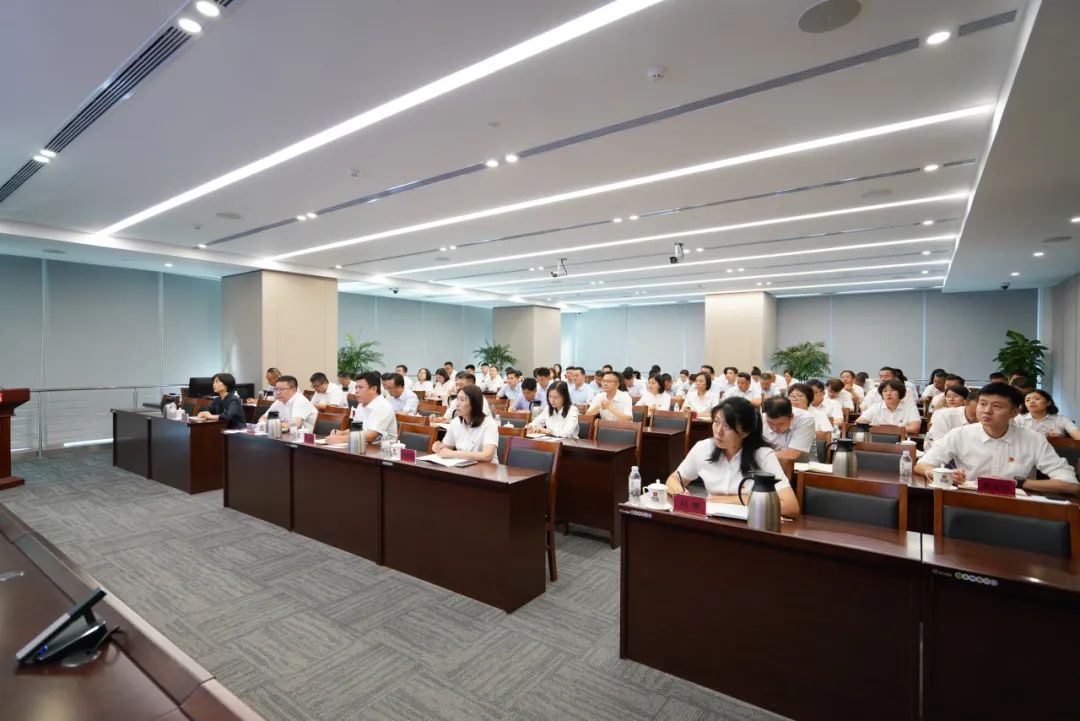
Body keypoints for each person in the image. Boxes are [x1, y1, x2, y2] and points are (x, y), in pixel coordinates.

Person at [916, 383, 1077, 494]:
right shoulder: (960, 434)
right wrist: (947, 475)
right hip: (968, 502)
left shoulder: (1033, 439)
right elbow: (921, 465)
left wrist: (1019, 483)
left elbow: (1070, 485)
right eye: (982, 404)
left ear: (1015, 412)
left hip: (1016, 506)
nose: (986, 411)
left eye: (996, 406)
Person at [665, 398, 799, 517]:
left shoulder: (763, 455)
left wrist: (740, 499)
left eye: (727, 426)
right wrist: (680, 492)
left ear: (746, 432)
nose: (718, 431)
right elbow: (673, 479)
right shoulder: (703, 448)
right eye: (716, 422)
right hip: (711, 522)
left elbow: (790, 506)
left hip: (749, 527)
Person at [431, 385, 498, 462]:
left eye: (462, 400)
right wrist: (438, 447)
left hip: (487, 468)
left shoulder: (489, 423)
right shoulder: (455, 422)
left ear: (474, 403)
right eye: (457, 399)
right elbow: (446, 448)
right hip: (463, 466)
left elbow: (487, 456)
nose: (457, 404)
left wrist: (453, 453)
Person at [344, 371, 397, 443]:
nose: (356, 391)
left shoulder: (383, 406)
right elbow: (355, 430)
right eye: (356, 387)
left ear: (374, 389)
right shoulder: (360, 405)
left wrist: (339, 439)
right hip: (365, 445)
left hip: (382, 448)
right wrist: (340, 433)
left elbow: (370, 437)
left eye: (360, 387)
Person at [854, 379, 921, 435]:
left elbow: (915, 428)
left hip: (902, 440)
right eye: (885, 391)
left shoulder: (910, 407)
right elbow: (858, 422)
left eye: (892, 390)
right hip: (878, 440)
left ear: (900, 392)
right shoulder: (876, 407)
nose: (888, 394)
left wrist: (885, 429)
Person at [1016, 390, 1080, 439]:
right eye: (1027, 400)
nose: (1031, 401)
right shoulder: (1019, 418)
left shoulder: (1061, 419)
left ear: (1048, 402)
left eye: (1037, 399)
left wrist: (1060, 439)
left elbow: (1077, 434)